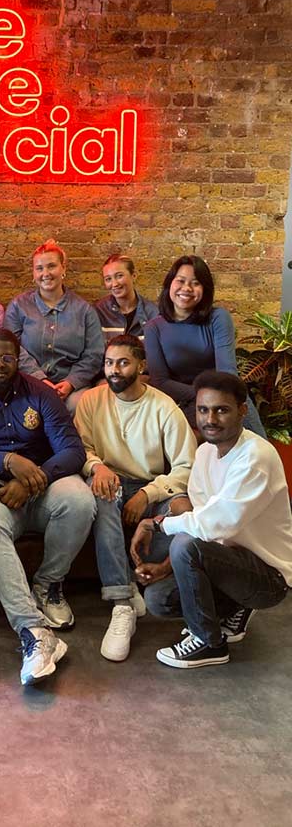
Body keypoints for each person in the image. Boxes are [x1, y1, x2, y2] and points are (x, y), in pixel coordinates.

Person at [0, 328, 95, 686]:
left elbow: (72, 451)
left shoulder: (41, 394)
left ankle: (48, 585)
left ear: (18, 359)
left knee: (80, 500)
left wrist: (31, 480)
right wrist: (6, 460)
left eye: (7, 357)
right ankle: (33, 628)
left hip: (47, 485)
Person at [131, 370, 292, 669]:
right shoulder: (205, 453)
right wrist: (167, 568)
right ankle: (237, 608)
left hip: (269, 578)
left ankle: (208, 642)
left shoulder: (255, 456)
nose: (210, 419)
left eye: (222, 410)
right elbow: (202, 524)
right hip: (232, 563)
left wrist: (157, 523)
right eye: (203, 410)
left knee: (182, 545)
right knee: (159, 598)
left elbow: (217, 524)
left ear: (243, 411)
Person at [74, 334, 196, 661]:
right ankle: (122, 601)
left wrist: (148, 493)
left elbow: (187, 465)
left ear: (141, 366)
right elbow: (79, 449)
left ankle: (143, 576)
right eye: (109, 363)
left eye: (123, 362)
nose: (114, 370)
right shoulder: (90, 401)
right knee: (102, 495)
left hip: (149, 485)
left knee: (182, 508)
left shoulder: (163, 407)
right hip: (109, 480)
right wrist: (96, 466)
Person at [144, 254, 265, 436]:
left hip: (224, 393)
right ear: (170, 284)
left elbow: (228, 373)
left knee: (256, 444)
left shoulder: (218, 318)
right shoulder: (154, 327)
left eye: (196, 283)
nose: (187, 288)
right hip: (182, 400)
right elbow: (160, 382)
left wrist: (211, 396)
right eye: (181, 281)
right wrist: (201, 396)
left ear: (205, 289)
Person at [4, 238, 104, 413]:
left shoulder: (85, 310)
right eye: (39, 268)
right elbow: (12, 348)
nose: (46, 273)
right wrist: (40, 380)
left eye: (51, 266)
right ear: (33, 273)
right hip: (27, 383)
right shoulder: (18, 306)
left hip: (73, 388)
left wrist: (71, 382)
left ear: (63, 268)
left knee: (79, 405)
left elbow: (94, 354)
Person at [94, 253, 158, 337]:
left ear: (134, 276)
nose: (114, 284)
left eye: (119, 276)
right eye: (108, 279)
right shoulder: (99, 311)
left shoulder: (152, 313)